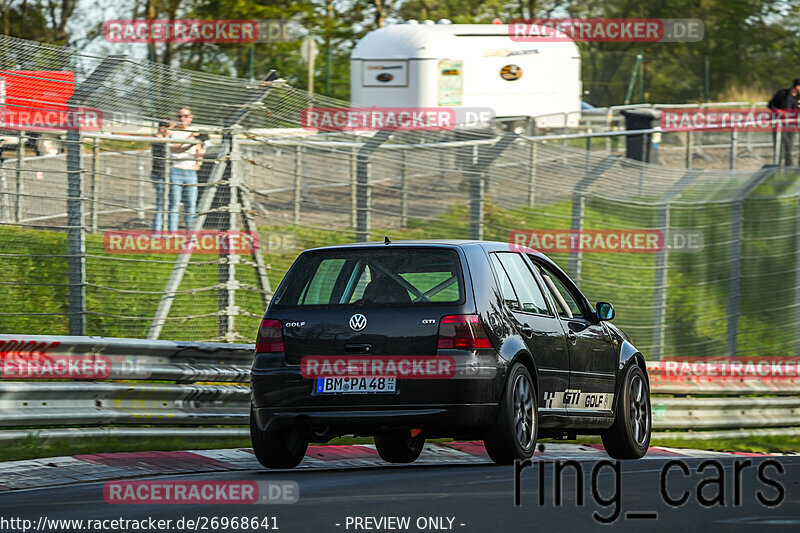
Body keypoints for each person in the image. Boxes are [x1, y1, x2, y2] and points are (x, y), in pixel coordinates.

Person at [167, 107, 203, 231]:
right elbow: (175, 149)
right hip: (176, 169)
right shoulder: (174, 133)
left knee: (191, 204)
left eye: (185, 116)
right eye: (179, 116)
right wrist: (189, 139)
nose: (182, 119)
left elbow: (199, 149)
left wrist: (199, 162)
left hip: (190, 171)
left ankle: (190, 231)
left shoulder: (196, 131)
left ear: (190, 118)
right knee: (174, 204)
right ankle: (172, 232)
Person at [768, 79, 800, 166]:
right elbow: (771, 105)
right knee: (779, 148)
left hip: (791, 125)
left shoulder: (798, 98)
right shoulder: (782, 93)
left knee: (789, 148)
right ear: (796, 86)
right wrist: (779, 112)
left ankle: (788, 168)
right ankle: (777, 168)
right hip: (778, 124)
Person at [150, 119, 171, 231]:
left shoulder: (163, 139)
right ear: (163, 128)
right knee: (161, 204)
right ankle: (157, 231)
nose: (171, 132)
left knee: (165, 204)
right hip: (160, 175)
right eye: (169, 129)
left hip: (164, 175)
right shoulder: (158, 140)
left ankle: (161, 229)